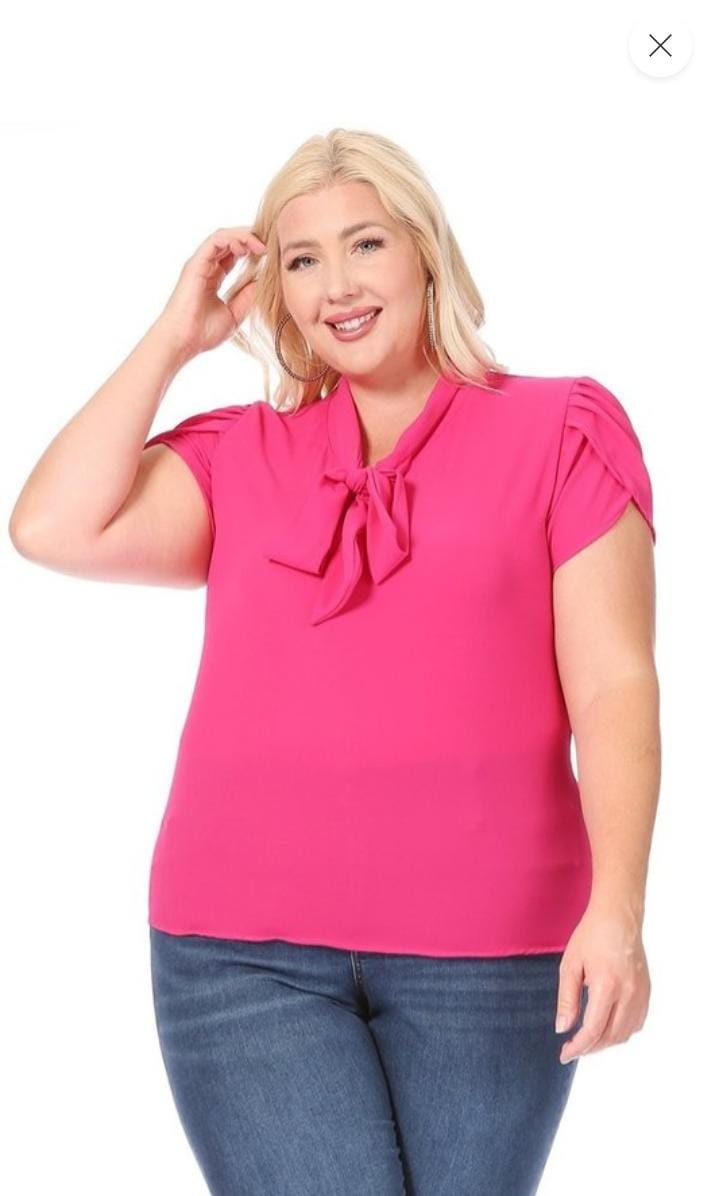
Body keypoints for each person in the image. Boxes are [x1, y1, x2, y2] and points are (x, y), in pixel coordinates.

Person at [8, 127, 660, 1195]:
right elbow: (50, 527)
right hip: (237, 952)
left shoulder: (562, 431)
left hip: (490, 951)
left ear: (426, 254)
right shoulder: (240, 452)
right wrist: (174, 338)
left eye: (366, 244)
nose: (338, 286)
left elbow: (615, 684)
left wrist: (619, 908)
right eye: (303, 259)